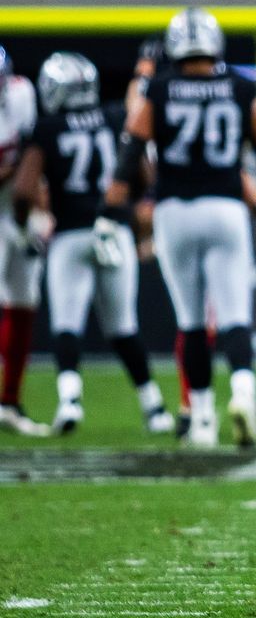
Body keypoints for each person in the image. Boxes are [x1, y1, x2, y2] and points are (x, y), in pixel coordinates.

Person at [103, 7, 256, 448]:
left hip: (175, 212)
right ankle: (243, 391)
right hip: (226, 207)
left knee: (190, 321)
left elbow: (132, 149)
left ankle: (202, 417)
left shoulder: (160, 88)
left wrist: (110, 212)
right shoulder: (240, 86)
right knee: (235, 314)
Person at [12, 52, 173, 437]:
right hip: (113, 230)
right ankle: (154, 408)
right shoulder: (116, 116)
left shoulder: (47, 128)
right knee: (124, 326)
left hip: (70, 233)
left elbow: (22, 191)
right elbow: (144, 173)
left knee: (67, 325)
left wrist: (24, 230)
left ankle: (70, 400)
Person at [0, 45, 48, 436]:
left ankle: (10, 402)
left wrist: (35, 203)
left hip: (17, 211)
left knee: (24, 300)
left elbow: (34, 155)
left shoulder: (22, 93)